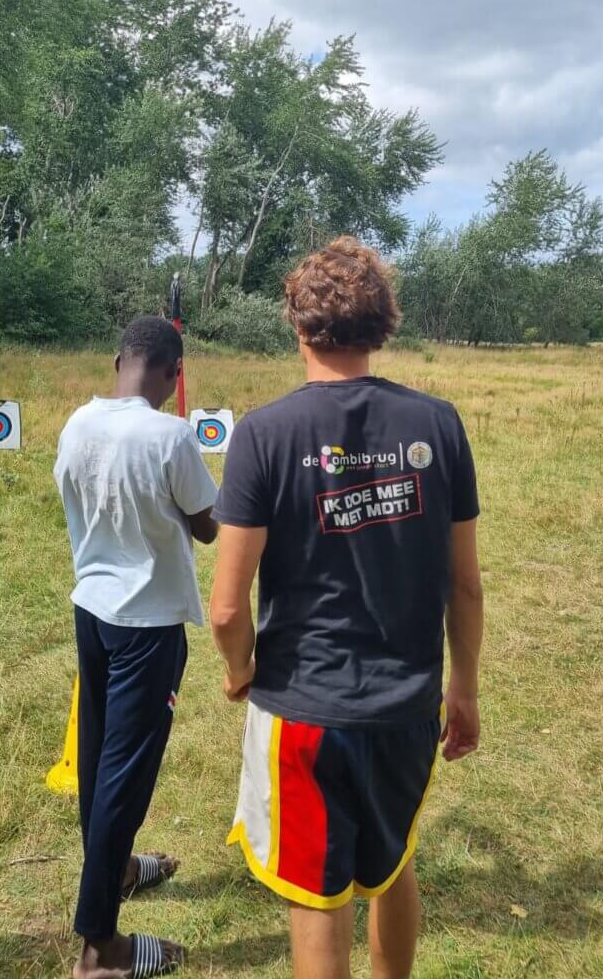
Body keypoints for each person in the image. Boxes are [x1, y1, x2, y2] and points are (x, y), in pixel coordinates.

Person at [209, 238, 482, 979]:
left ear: (296, 324)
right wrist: (464, 687)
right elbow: (466, 585)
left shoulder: (264, 433)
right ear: (383, 324)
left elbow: (227, 605)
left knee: (317, 896)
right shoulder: (439, 422)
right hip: (408, 704)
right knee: (394, 865)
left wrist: (240, 671)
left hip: (303, 707)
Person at [54, 316, 218, 979]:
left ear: (117, 360)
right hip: (147, 629)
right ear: (175, 375)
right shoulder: (172, 435)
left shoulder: (76, 422)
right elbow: (207, 528)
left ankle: (116, 868)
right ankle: (100, 947)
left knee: (99, 759)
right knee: (124, 775)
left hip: (92, 611)